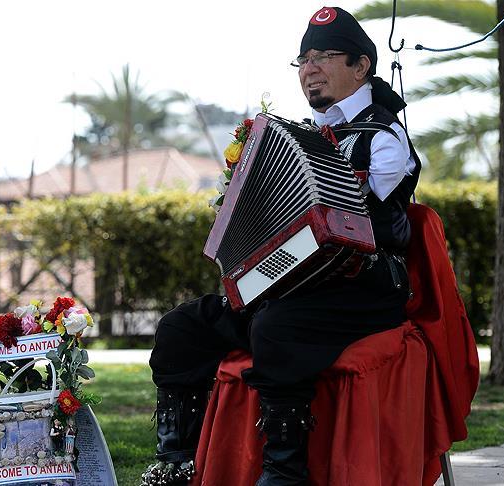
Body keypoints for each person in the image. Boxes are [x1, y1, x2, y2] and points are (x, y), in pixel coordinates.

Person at [140, 7, 422, 486]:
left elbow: (359, 221)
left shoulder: (383, 136)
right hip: (297, 288)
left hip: (364, 288)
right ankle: (179, 461)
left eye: (324, 56)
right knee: (180, 328)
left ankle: (285, 471)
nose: (310, 69)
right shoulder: (295, 137)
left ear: (361, 66)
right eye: (304, 60)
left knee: (274, 327)